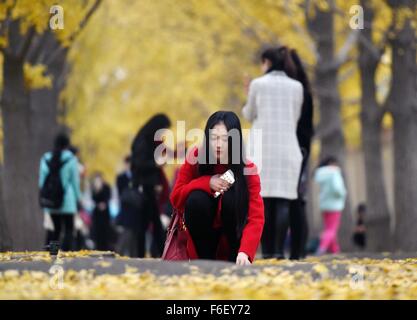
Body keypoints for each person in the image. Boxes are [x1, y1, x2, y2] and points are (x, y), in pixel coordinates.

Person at [170, 111, 264, 265]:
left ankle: (234, 260)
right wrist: (206, 182)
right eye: (214, 138)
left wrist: (245, 251)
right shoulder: (196, 158)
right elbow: (176, 197)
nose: (218, 144)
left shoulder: (247, 170)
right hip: (202, 245)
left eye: (225, 139)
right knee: (196, 199)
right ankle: (203, 262)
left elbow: (256, 217)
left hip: (233, 246)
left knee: (231, 198)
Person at [242, 46, 304, 259]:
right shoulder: (297, 87)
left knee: (264, 201)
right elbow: (295, 118)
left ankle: (267, 251)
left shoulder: (258, 84)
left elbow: (249, 114)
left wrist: (247, 94)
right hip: (287, 147)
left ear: (267, 62)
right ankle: (279, 251)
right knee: (284, 200)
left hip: (262, 148)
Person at [131, 113, 171, 257]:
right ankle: (159, 253)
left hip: (148, 186)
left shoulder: (146, 140)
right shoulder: (144, 141)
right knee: (150, 223)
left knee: (150, 222)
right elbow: (139, 164)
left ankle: (152, 253)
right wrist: (156, 164)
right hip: (145, 187)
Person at [287, 49, 314, 260]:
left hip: (297, 149)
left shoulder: (298, 91)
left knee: (295, 198)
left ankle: (298, 249)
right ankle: (299, 249)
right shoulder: (303, 89)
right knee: (298, 198)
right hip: (301, 148)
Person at [39, 133, 81, 251]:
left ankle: (53, 254)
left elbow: (42, 182)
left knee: (55, 229)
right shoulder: (71, 159)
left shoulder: (45, 158)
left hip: (52, 200)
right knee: (68, 228)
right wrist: (78, 198)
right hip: (68, 199)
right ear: (67, 145)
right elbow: (75, 182)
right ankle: (67, 253)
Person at [314, 156, 347, 255]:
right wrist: (343, 194)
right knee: (331, 229)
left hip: (324, 204)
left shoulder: (321, 174)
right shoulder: (334, 173)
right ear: (332, 163)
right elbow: (338, 188)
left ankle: (335, 250)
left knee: (329, 228)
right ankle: (321, 248)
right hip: (334, 204)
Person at [90, 172, 112, 251]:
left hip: (105, 211)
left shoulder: (107, 187)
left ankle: (105, 247)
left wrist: (104, 204)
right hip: (97, 212)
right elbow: (94, 198)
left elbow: (108, 196)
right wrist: (97, 190)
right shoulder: (94, 188)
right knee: (97, 230)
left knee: (105, 230)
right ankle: (98, 247)